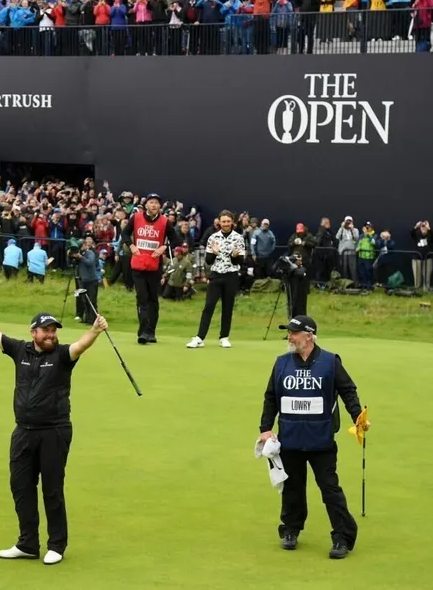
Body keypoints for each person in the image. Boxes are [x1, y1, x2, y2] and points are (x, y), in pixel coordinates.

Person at [0, 296, 108, 566]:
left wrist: (94, 331)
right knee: (21, 486)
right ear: (33, 332)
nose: (51, 335)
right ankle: (28, 544)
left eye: (53, 330)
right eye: (46, 330)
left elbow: (80, 346)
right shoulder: (20, 351)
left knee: (52, 489)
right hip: (23, 431)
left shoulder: (62, 355)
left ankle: (56, 545)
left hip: (54, 431)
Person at [259, 315, 369, 559]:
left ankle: (342, 537)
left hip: (321, 440)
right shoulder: (282, 363)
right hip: (290, 438)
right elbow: (271, 396)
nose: (289, 336)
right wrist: (265, 428)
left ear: (309, 335)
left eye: (294, 332)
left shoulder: (330, 362)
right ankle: (291, 529)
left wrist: (357, 417)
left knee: (330, 489)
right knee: (292, 487)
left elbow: (348, 390)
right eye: (289, 332)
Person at [120, 193, 180, 344]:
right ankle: (143, 332)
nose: (154, 205)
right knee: (142, 298)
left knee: (153, 299)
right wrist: (131, 245)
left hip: (154, 266)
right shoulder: (136, 218)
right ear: (146, 205)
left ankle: (151, 332)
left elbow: (176, 239)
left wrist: (164, 247)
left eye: (156, 203)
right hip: (138, 264)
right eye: (151, 202)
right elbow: (125, 233)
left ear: (160, 206)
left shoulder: (165, 221)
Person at [187, 210, 245, 349]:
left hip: (231, 276)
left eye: (228, 221)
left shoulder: (238, 238)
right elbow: (208, 260)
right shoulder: (213, 237)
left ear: (232, 222)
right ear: (219, 222)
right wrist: (214, 252)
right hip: (216, 275)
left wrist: (234, 256)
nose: (226, 224)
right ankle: (200, 337)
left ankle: (224, 337)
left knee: (227, 307)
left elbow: (240, 261)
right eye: (223, 221)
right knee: (209, 306)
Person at [74, 236, 99, 325]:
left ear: (85, 245)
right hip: (83, 280)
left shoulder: (90, 253)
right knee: (85, 301)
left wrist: (81, 257)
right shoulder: (80, 254)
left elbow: (90, 262)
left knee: (92, 301)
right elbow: (71, 263)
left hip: (92, 280)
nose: (80, 248)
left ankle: (93, 320)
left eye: (81, 246)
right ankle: (87, 318)